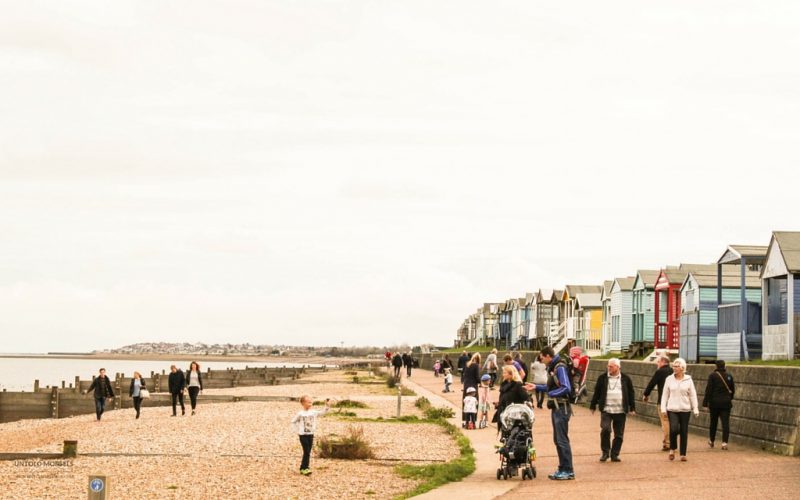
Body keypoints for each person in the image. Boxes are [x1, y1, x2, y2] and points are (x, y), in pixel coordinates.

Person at [534, 346, 574, 480]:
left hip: (561, 407)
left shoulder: (560, 367)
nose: (541, 360)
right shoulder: (555, 367)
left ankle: (568, 470)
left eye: (541, 357)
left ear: (547, 356)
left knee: (562, 440)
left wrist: (551, 394)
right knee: (558, 440)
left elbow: (566, 387)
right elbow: (552, 386)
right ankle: (562, 468)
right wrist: (536, 387)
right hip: (557, 407)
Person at [590, 358, 636, 462]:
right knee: (605, 429)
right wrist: (593, 405)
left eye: (611, 366)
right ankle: (605, 452)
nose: (608, 368)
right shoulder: (602, 378)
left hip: (620, 410)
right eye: (608, 366)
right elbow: (596, 391)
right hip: (606, 409)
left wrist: (632, 407)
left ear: (618, 367)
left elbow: (631, 393)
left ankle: (615, 454)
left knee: (619, 434)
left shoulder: (625, 378)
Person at [660, 358, 699, 462]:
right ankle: (672, 449)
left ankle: (683, 454)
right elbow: (664, 395)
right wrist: (663, 408)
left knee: (684, 431)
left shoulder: (688, 379)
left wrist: (695, 408)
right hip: (672, 409)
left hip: (685, 409)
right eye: (674, 366)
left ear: (682, 368)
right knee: (673, 429)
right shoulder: (669, 379)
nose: (674, 368)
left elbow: (693, 395)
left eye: (677, 366)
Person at [291, 395, 333, 476]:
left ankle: (304, 467)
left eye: (311, 402)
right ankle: (304, 468)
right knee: (306, 451)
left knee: (308, 452)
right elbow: (293, 421)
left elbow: (322, 412)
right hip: (303, 435)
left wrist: (327, 406)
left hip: (310, 434)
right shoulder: (300, 413)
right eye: (308, 402)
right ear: (303, 403)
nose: (310, 403)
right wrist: (297, 431)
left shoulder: (313, 412)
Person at [643, 355, 673, 451]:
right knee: (673, 422)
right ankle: (673, 442)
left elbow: (652, 383)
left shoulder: (660, 372)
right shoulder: (673, 371)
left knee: (665, 422)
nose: (657, 363)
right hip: (674, 402)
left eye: (658, 361)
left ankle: (667, 443)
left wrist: (646, 395)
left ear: (663, 362)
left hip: (663, 402)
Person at [703, 360, 735, 450]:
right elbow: (732, 390)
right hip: (726, 403)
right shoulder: (729, 376)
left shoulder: (712, 376)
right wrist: (729, 398)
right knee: (725, 423)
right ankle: (724, 443)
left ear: (716, 366)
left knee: (713, 422)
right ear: (724, 366)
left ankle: (712, 441)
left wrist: (705, 403)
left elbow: (708, 390)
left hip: (714, 403)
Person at [491, 365, 532, 429]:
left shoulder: (518, 385)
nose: (503, 374)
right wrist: (499, 402)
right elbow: (504, 397)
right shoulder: (504, 385)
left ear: (511, 374)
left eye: (505, 373)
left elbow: (525, 397)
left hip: (514, 414)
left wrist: (529, 403)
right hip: (504, 412)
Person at [462, 353, 482, 426]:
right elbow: (477, 377)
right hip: (473, 386)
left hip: (466, 386)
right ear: (478, 359)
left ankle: (465, 420)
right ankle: (473, 421)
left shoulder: (467, 364)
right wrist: (481, 383)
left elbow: (464, 374)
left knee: (466, 403)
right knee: (474, 403)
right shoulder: (476, 365)